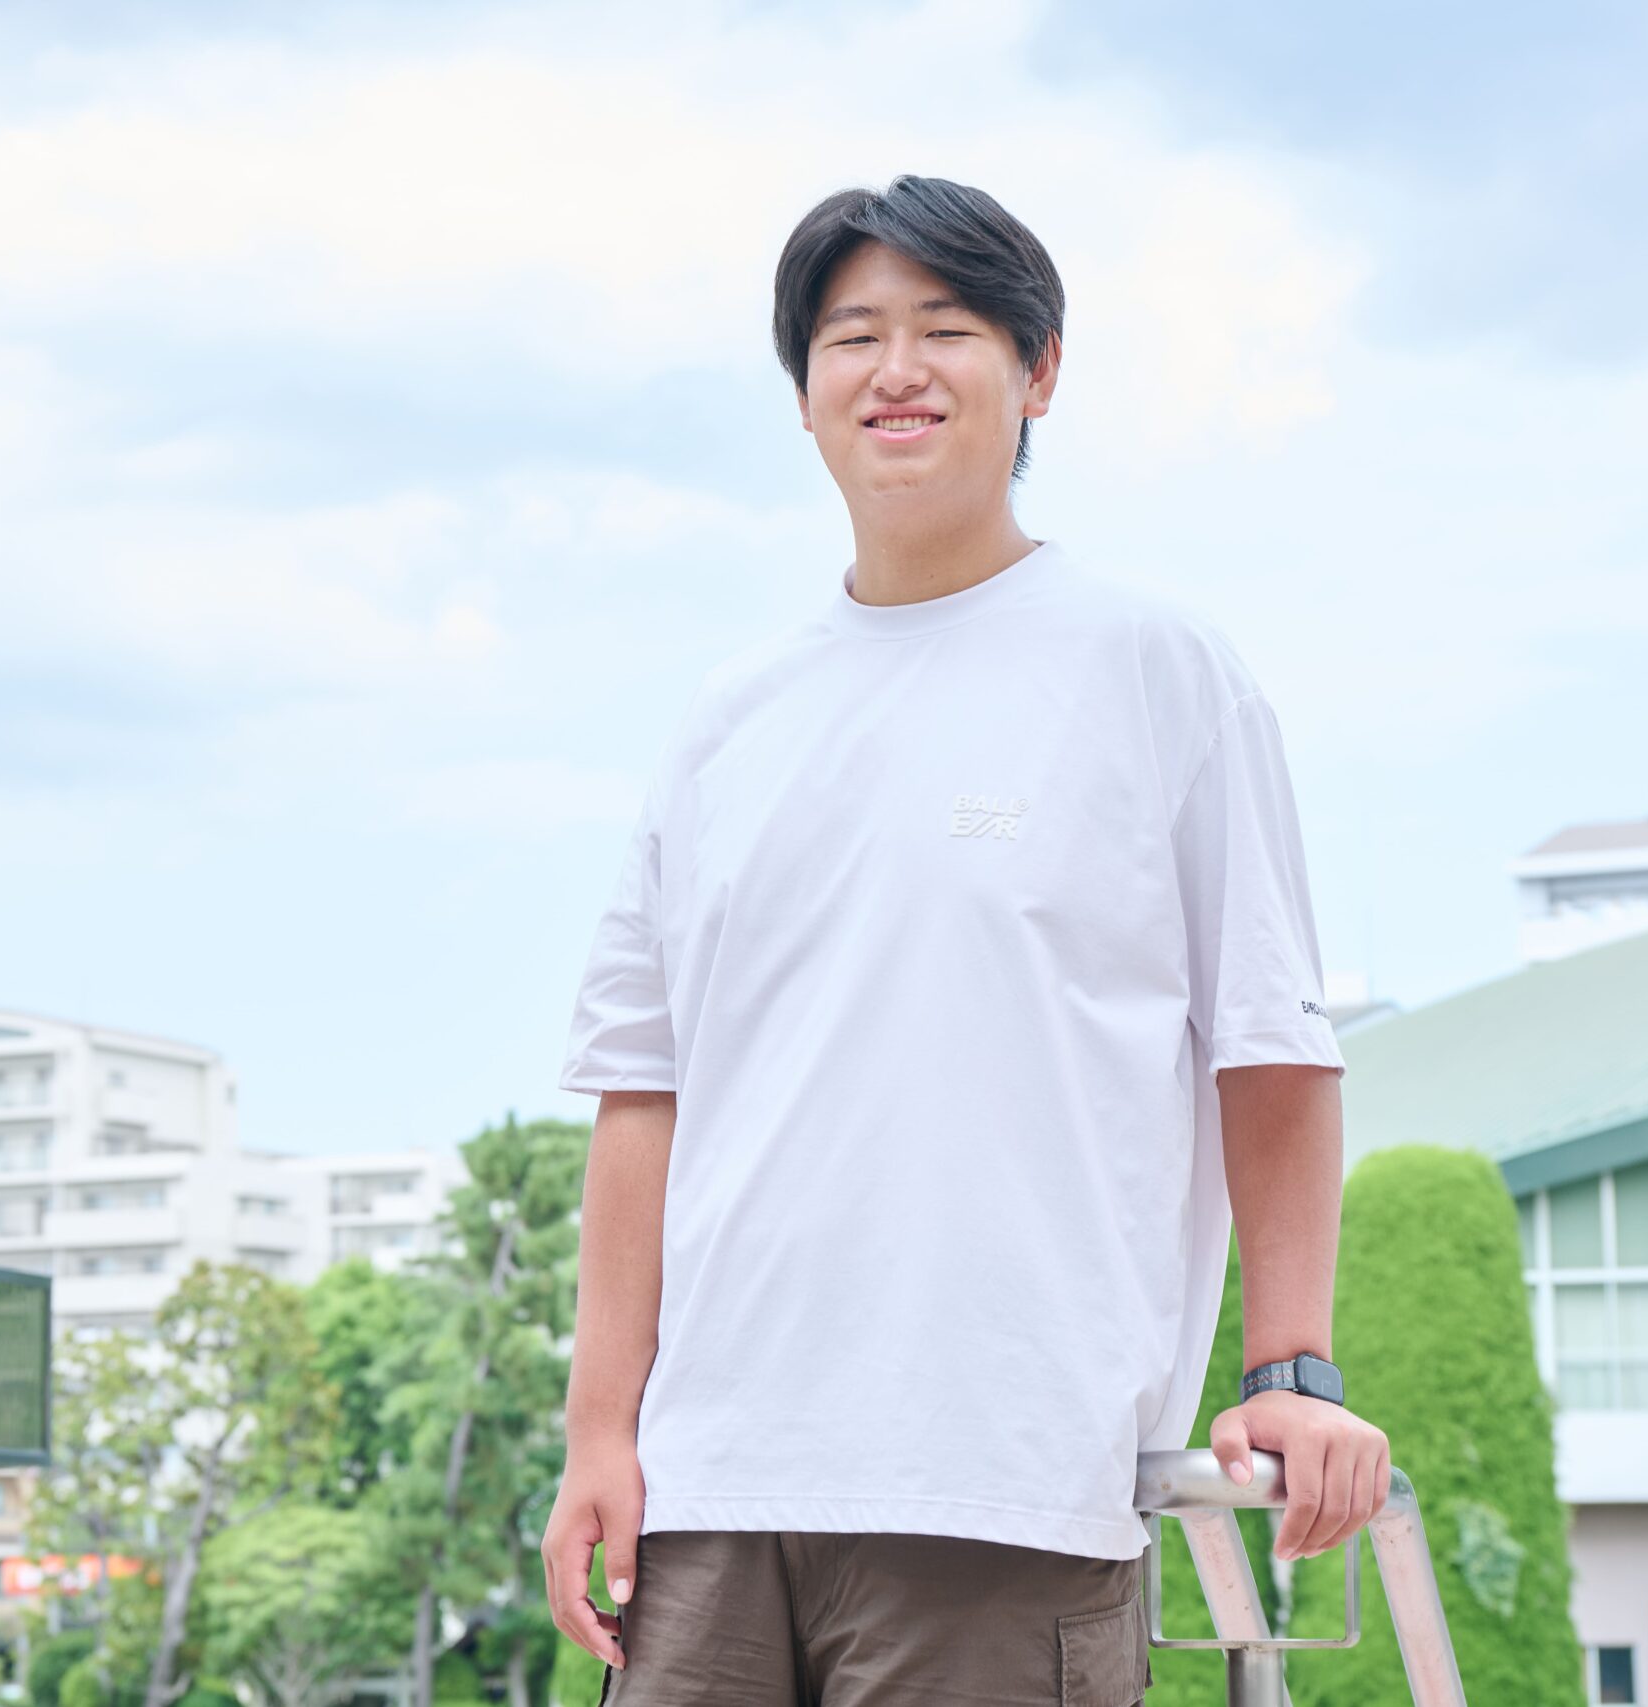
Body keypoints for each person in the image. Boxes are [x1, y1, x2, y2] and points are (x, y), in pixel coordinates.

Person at [540, 173, 1390, 1705]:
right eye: (852, 336)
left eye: (946, 329)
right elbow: (643, 1095)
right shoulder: (729, 721)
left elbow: (1271, 1046)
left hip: (1006, 1480)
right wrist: (602, 1431)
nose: (896, 369)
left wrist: (1292, 1373)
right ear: (805, 393)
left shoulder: (1157, 671)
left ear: (1038, 371)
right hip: (713, 1489)